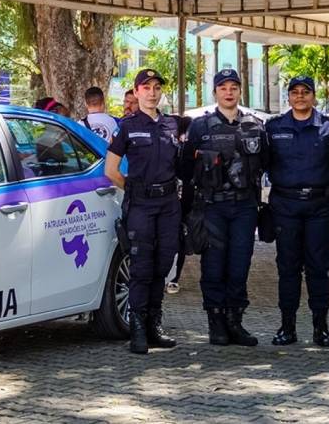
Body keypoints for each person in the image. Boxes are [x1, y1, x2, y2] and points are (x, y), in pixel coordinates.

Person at [182, 69, 266, 347]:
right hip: (212, 207)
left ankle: (235, 321)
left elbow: (266, 163)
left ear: (240, 91)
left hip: (244, 207)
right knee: (214, 266)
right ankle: (216, 322)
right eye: (223, 88)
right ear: (215, 92)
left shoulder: (254, 125)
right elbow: (184, 167)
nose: (228, 92)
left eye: (233, 87)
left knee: (239, 266)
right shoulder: (200, 127)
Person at [106, 68, 181, 354]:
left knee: (162, 265)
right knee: (141, 267)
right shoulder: (126, 126)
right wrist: (134, 189)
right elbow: (111, 170)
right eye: (146, 87)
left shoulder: (171, 125)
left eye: (156, 87)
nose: (152, 92)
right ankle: (137, 328)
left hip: (168, 205)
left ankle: (153, 326)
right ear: (136, 92)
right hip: (141, 205)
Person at [265, 75, 329, 347]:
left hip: (321, 206)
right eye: (294, 92)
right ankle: (287, 327)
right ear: (288, 96)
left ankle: (321, 327)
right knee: (288, 268)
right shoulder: (273, 128)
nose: (300, 96)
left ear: (313, 96)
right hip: (285, 206)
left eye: (305, 92)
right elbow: (264, 162)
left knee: (319, 267)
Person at [167, 115, 194, 295]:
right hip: (178, 198)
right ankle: (172, 278)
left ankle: (173, 278)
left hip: (179, 198)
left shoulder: (184, 147)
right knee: (177, 239)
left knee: (178, 239)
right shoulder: (178, 147)